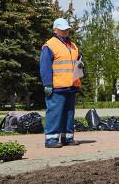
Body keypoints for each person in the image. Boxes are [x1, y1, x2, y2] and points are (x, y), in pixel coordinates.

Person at [40, 18, 83, 148]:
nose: (66, 31)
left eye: (67, 29)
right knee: (55, 113)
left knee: (69, 114)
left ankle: (67, 137)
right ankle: (51, 139)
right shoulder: (49, 45)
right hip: (57, 86)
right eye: (63, 29)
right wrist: (47, 85)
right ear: (55, 30)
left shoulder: (73, 45)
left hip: (71, 86)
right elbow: (45, 67)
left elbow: (78, 62)